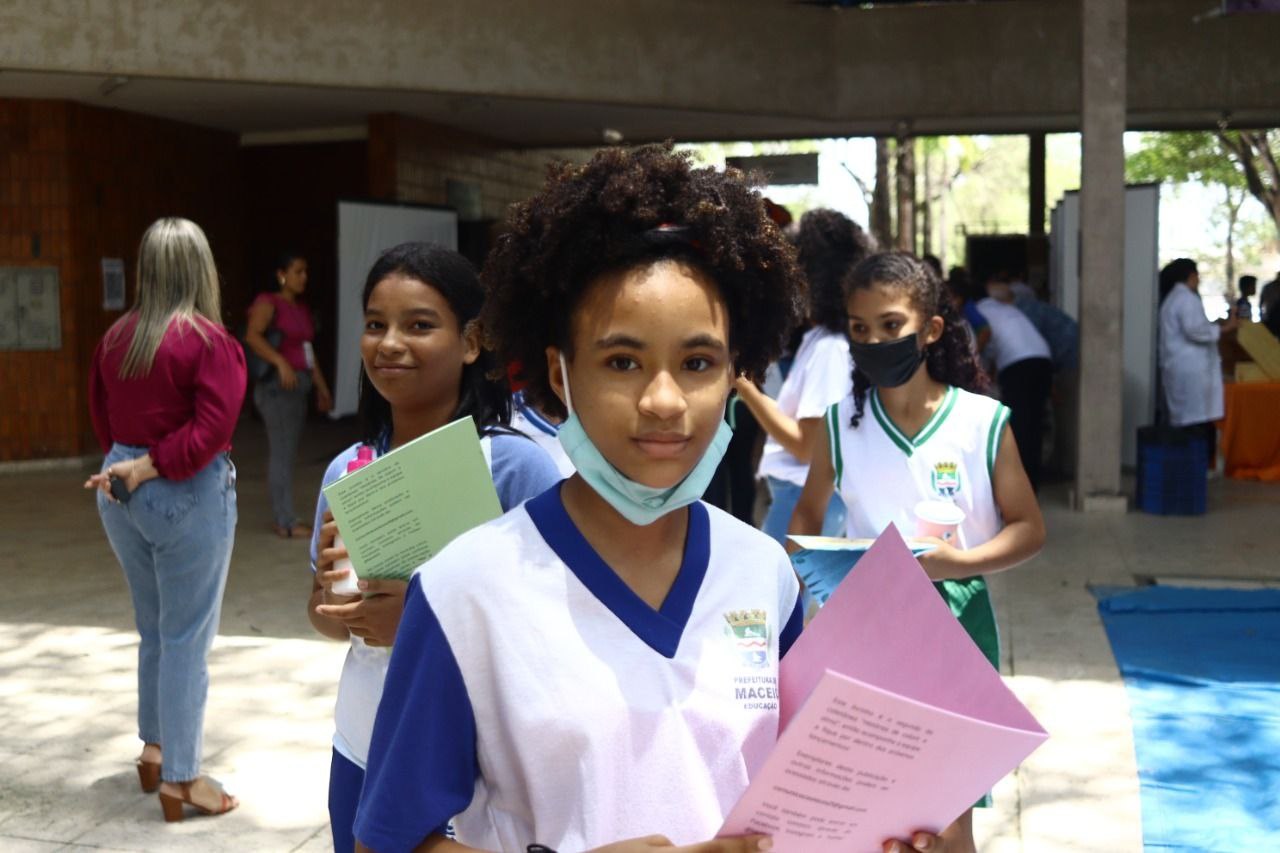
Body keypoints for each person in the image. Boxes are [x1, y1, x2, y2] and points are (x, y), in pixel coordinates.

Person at [351, 145, 949, 853]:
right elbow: (388, 842)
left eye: (697, 363)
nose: (664, 400)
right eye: (622, 361)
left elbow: (799, 799)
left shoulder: (764, 573)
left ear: (736, 375)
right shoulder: (464, 592)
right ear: (559, 371)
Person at [307, 242, 561, 853]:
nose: (389, 343)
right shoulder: (349, 469)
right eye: (375, 324)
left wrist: (418, 623)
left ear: (471, 343)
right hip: (364, 747)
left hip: (475, 764)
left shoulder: (514, 468)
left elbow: (560, 628)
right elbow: (323, 620)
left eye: (419, 325)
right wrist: (332, 602)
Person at [790, 251, 1046, 853]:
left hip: (956, 626)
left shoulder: (983, 422)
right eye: (859, 329)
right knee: (874, 808)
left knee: (949, 817)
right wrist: (815, 569)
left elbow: (1029, 527)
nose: (873, 341)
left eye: (889, 326)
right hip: (867, 623)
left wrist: (958, 563)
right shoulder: (840, 426)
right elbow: (804, 516)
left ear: (930, 330)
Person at [84, 217, 246, 822]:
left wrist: (127, 465)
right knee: (186, 638)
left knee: (154, 626)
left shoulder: (115, 338)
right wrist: (154, 466)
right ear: (201, 268)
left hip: (117, 487)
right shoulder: (208, 341)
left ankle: (154, 748)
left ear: (146, 269)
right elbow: (214, 431)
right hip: (180, 488)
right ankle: (182, 776)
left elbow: (102, 418)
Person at [734, 208, 873, 545]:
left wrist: (739, 380)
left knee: (776, 597)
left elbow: (805, 447)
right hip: (806, 494)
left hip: (804, 495)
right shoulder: (825, 339)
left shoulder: (831, 350)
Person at [244, 250, 333, 538]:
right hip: (276, 391)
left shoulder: (302, 308)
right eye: (298, 271)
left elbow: (308, 352)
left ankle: (285, 515)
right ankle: (285, 520)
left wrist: (321, 387)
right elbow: (252, 336)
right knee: (281, 453)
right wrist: (280, 361)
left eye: (305, 271)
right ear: (282, 274)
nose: (303, 277)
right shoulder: (268, 303)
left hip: (299, 388)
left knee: (288, 451)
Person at [1158, 258, 1239, 468]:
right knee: (1195, 422)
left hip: (1183, 369)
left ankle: (1192, 466)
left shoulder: (1175, 299)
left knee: (1190, 419)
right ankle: (1196, 467)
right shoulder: (1185, 299)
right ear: (1191, 276)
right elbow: (1195, 330)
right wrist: (1224, 329)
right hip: (1191, 371)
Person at [976, 272, 1053, 490]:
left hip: (1018, 365)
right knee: (1034, 425)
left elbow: (985, 348)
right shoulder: (1006, 308)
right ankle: (1032, 482)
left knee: (1017, 428)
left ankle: (1018, 485)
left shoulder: (980, 313)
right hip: (1043, 359)